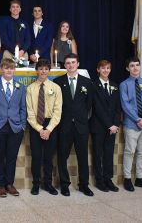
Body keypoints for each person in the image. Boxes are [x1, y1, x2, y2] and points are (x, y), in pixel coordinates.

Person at [53, 53, 94, 197]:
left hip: (81, 126)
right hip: (64, 125)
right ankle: (64, 185)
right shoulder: (58, 82)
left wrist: (81, 117)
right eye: (68, 63)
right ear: (65, 65)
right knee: (62, 156)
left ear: (78, 64)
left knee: (83, 157)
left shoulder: (87, 82)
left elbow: (89, 104)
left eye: (73, 62)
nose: (71, 65)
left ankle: (84, 185)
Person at [0, 58, 27, 197]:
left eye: (11, 68)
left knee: (11, 157)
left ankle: (9, 183)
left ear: (14, 70)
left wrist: (22, 126)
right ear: (2, 69)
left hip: (15, 127)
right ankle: (0, 184)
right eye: (6, 67)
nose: (9, 70)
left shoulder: (21, 87)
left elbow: (23, 108)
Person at [26, 59, 62, 195]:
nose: (43, 71)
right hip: (36, 125)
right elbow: (29, 112)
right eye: (40, 69)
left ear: (49, 71)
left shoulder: (55, 88)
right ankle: (36, 184)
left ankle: (48, 183)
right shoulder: (30, 88)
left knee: (48, 157)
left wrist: (49, 129)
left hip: (51, 125)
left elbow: (58, 111)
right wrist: (40, 129)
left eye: (46, 69)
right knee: (36, 157)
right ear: (37, 71)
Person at [120, 56, 142, 192]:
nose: (135, 68)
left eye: (137, 65)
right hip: (131, 124)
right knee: (130, 151)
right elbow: (125, 105)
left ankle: (140, 178)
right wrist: (137, 119)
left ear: (140, 67)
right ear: (127, 68)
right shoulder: (124, 85)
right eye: (132, 65)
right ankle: (127, 178)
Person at [90, 60, 121, 192]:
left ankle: (108, 179)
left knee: (109, 154)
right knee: (98, 154)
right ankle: (100, 180)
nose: (105, 70)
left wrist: (115, 124)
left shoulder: (114, 85)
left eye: (108, 68)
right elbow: (97, 107)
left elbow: (117, 108)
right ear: (98, 70)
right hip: (98, 126)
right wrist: (109, 124)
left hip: (112, 128)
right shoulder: (93, 85)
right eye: (103, 68)